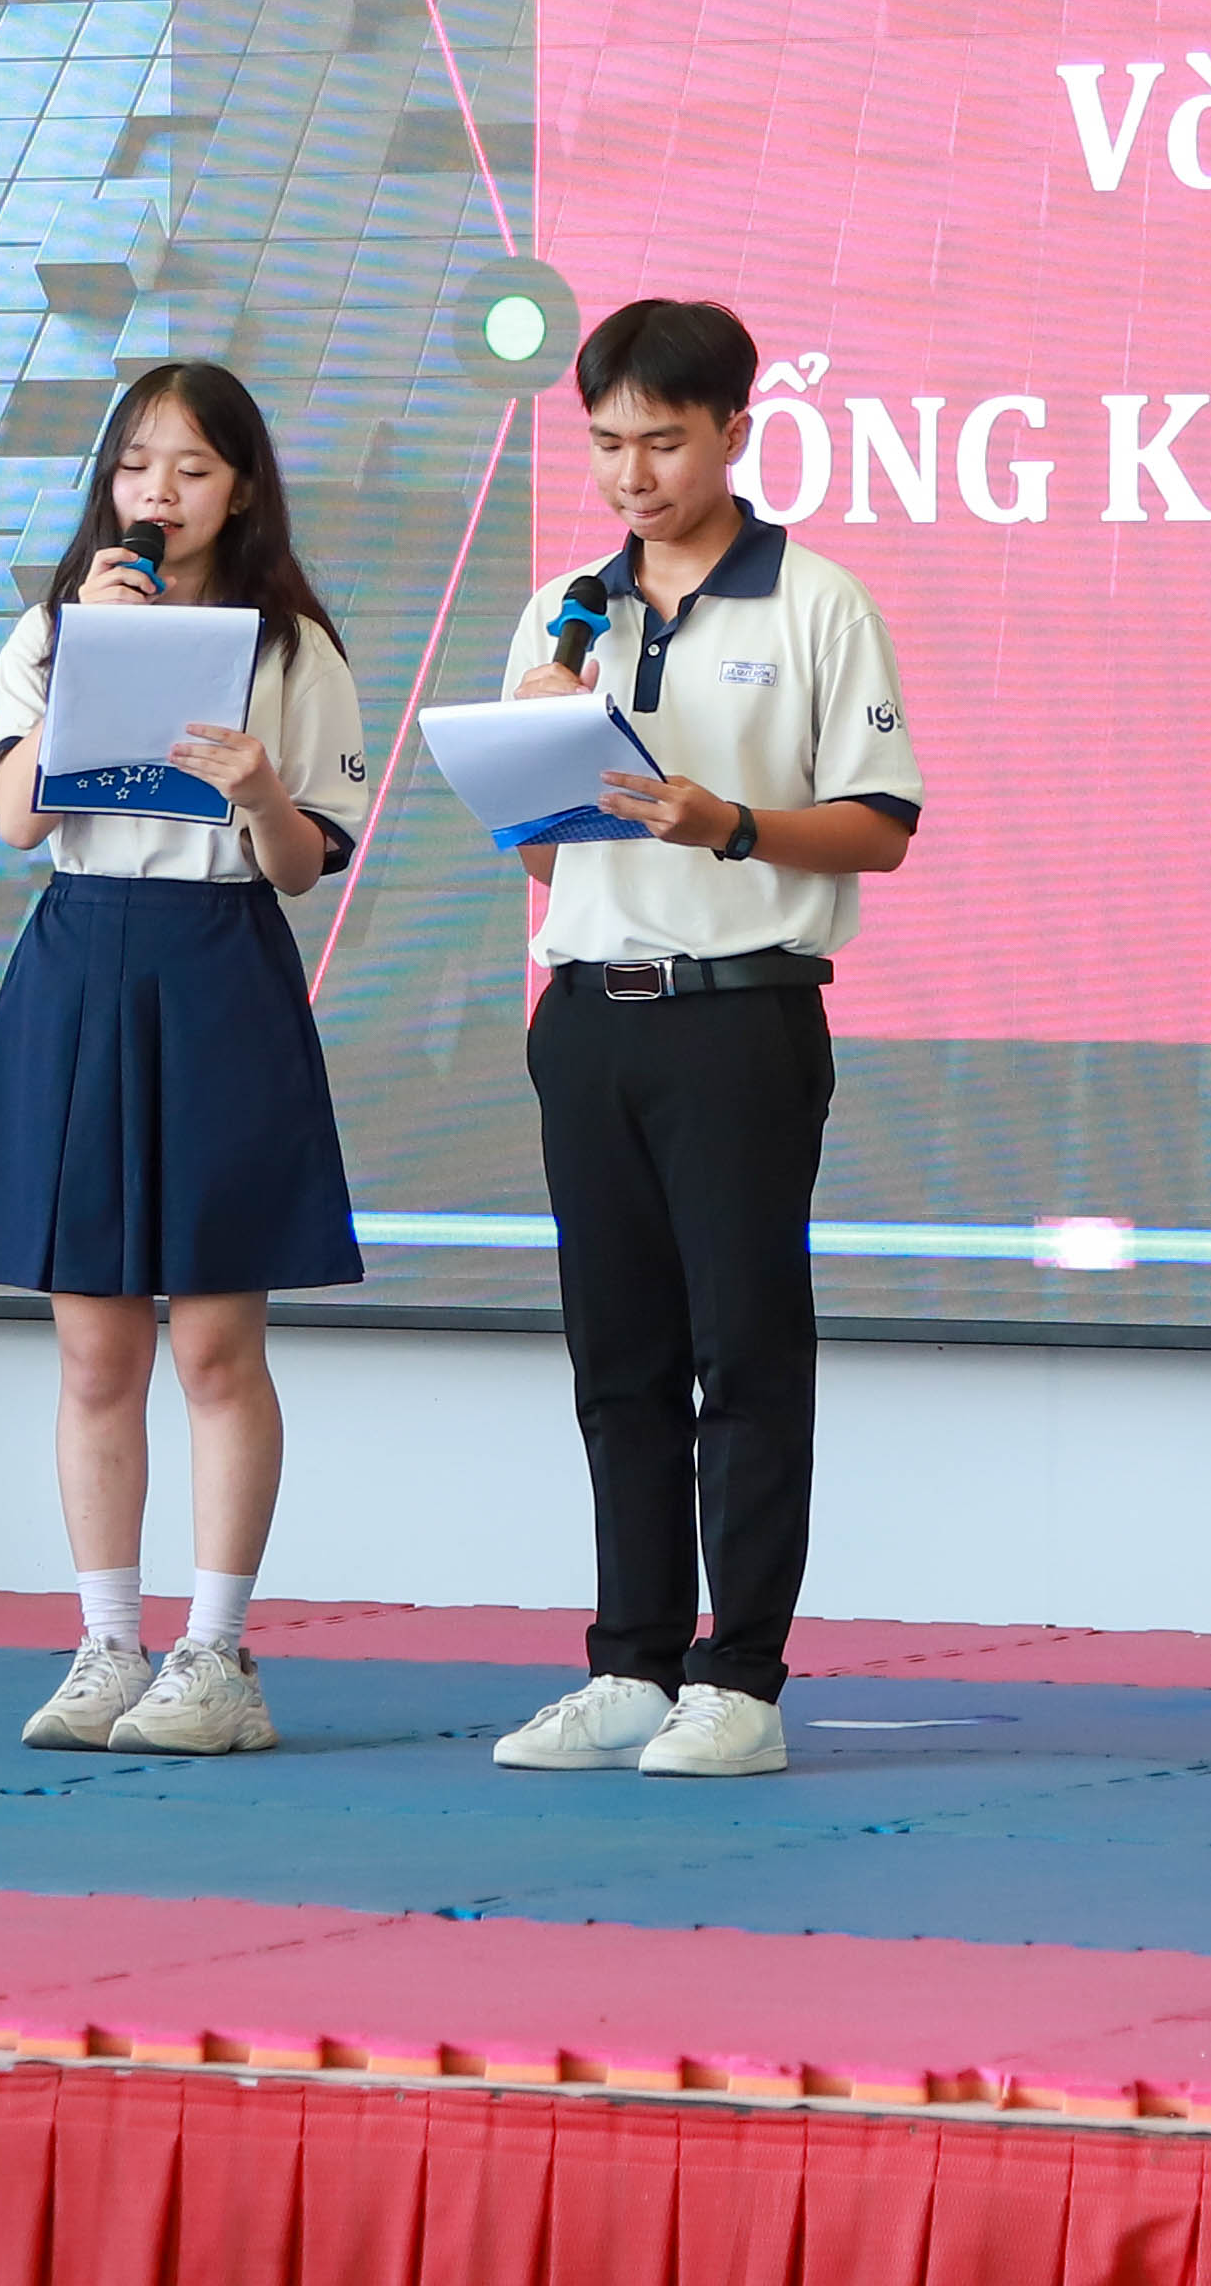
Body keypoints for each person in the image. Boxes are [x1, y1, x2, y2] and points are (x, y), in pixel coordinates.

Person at [485, 297, 924, 1782]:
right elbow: (545, 863)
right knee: (617, 1354)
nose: (632, 475)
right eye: (606, 442)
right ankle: (631, 1663)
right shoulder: (565, 609)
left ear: (736, 431)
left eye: (663, 443)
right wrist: (539, 758)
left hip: (740, 1015)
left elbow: (882, 825)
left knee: (744, 1351)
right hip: (585, 1018)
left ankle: (741, 1680)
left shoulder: (816, 602)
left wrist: (723, 821)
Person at [0, 360, 373, 1763]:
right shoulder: (53, 630)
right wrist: (82, 666)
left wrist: (258, 791)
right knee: (92, 1346)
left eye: (190, 469)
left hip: (219, 962)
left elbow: (303, 866)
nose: (158, 494)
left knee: (217, 1344)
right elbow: (16, 822)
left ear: (240, 488)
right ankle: (107, 1641)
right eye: (135, 466)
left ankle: (217, 1653)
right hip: (80, 963)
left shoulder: (293, 650)